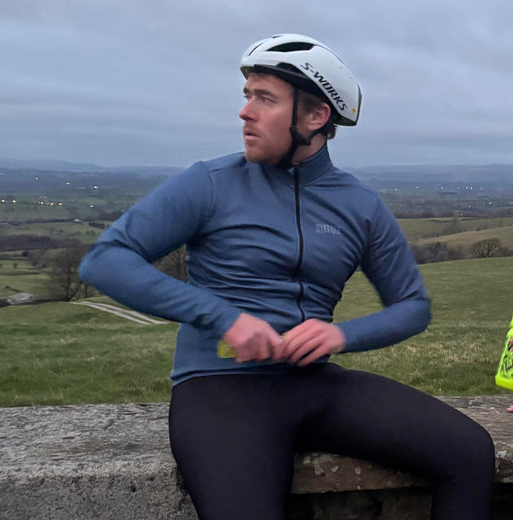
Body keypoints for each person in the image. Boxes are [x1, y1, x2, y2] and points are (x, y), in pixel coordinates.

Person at [79, 34, 495, 519]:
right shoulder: (210, 183)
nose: (245, 112)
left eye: (265, 99)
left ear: (316, 116)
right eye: (247, 96)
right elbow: (106, 259)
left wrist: (341, 335)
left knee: (470, 451)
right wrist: (223, 317)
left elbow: (413, 306)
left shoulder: (359, 205)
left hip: (313, 383)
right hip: (219, 388)